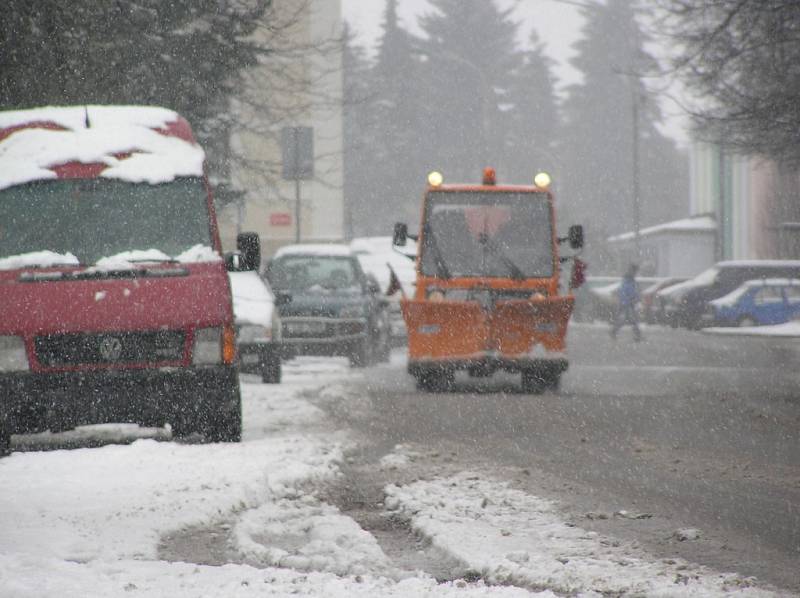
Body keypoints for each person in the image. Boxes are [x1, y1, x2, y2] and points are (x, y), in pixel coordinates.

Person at [611, 264, 642, 341]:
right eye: (635, 271)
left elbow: (630, 291)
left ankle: (614, 331)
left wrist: (635, 297)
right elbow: (626, 291)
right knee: (632, 320)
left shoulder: (629, 279)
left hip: (628, 302)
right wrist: (632, 298)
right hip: (627, 303)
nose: (635, 273)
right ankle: (637, 336)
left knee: (628, 319)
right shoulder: (628, 279)